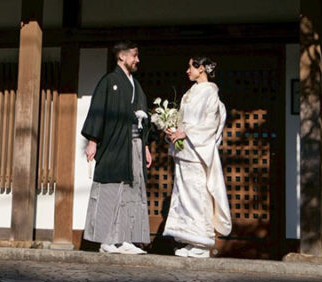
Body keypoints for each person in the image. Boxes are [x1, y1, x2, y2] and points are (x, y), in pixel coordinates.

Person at [81, 41, 152, 254]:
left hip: (134, 144)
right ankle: (106, 240)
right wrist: (93, 140)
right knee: (110, 188)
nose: (137, 60)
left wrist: (146, 144)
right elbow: (98, 110)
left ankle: (127, 239)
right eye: (134, 55)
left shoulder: (135, 85)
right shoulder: (109, 81)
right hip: (114, 142)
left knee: (132, 189)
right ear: (122, 56)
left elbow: (143, 114)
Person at [163, 56, 232, 258]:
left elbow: (211, 123)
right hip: (184, 150)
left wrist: (187, 133)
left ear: (201, 69)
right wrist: (174, 129)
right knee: (183, 196)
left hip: (197, 151)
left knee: (198, 195)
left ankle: (202, 241)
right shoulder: (188, 93)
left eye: (190, 66)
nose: (187, 71)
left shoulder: (211, 93)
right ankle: (189, 239)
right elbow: (182, 120)